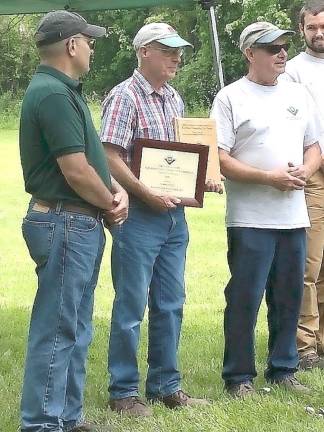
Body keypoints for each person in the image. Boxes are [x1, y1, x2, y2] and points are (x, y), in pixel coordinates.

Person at [100, 22, 219, 416]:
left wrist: (203, 181)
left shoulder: (173, 98)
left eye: (178, 50)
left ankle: (166, 386)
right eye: (168, 50)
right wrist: (146, 193)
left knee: (171, 303)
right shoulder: (124, 96)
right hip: (139, 216)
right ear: (144, 51)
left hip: (174, 216)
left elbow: (180, 159)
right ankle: (123, 392)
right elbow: (110, 156)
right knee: (132, 305)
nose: (177, 57)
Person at [19, 10, 128, 432]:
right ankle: (43, 423)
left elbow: (87, 165)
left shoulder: (61, 90)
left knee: (77, 327)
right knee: (58, 328)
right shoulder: (52, 93)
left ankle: (66, 416)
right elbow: (75, 169)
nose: (92, 46)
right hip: (65, 221)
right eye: (89, 40)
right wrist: (111, 202)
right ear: (71, 45)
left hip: (74, 222)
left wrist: (110, 193)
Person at [210, 21, 322, 398]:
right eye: (272, 48)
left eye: (284, 47)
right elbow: (220, 158)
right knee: (245, 296)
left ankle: (283, 369)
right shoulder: (230, 97)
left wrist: (306, 170)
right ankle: (239, 377)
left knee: (289, 295)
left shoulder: (298, 94)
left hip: (294, 216)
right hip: (250, 218)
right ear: (249, 53)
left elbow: (314, 145)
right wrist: (267, 178)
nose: (281, 54)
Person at [281, 0, 324, 371]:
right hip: (312, 174)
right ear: (302, 29)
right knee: (310, 263)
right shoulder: (292, 72)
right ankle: (305, 343)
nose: (319, 33)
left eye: (323, 26)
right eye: (312, 27)